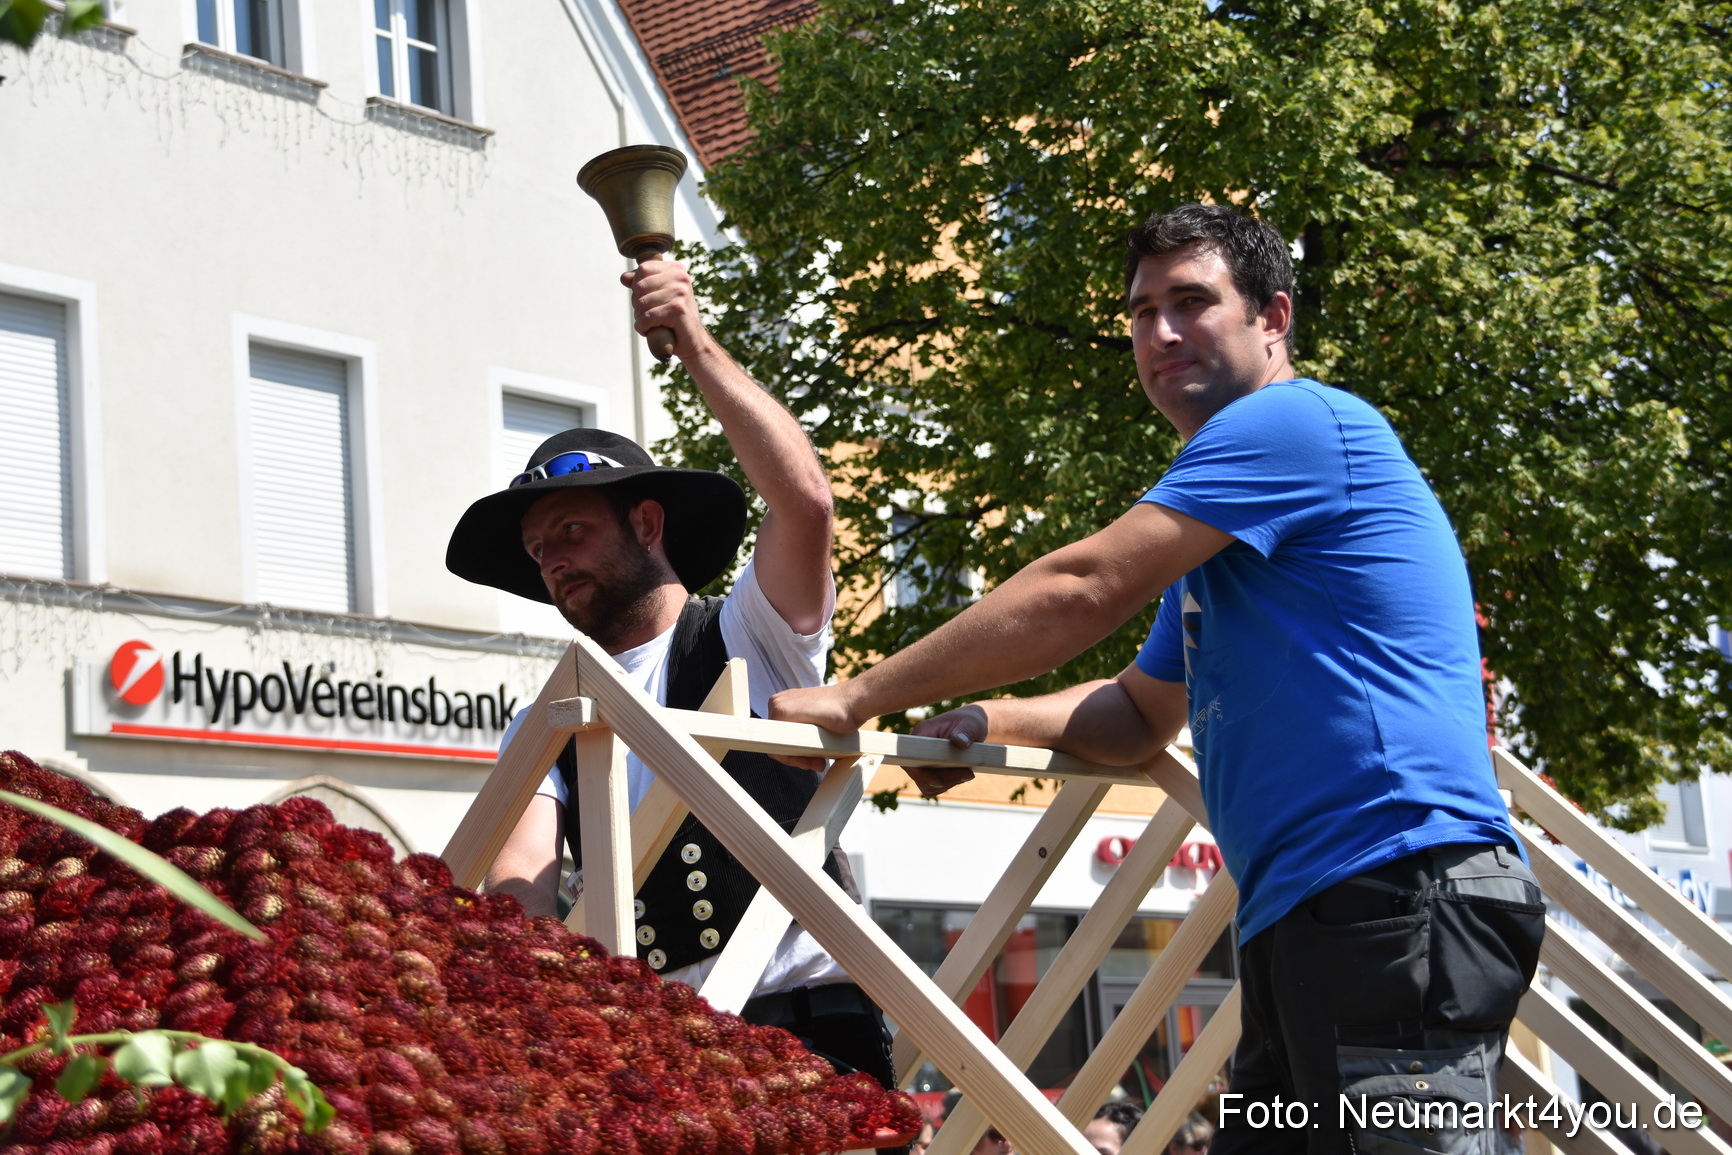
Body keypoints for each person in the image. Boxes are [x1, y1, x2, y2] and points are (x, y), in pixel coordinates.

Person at [770, 204, 1545, 1152]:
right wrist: (989, 714)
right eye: (1142, 311)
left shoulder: (1292, 424)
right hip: (1315, 909)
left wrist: (862, 694)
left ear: (1274, 317)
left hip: (1391, 888)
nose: (1161, 332)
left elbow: (1082, 586)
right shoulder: (1225, 534)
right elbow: (1138, 715)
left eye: (1192, 301)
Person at [445, 257, 895, 1087]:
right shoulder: (555, 713)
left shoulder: (750, 633)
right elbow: (520, 871)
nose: (552, 560)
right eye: (539, 550)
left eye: (571, 530)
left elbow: (805, 503)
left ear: (647, 521)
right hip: (658, 1058)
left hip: (810, 1033)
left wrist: (692, 342)